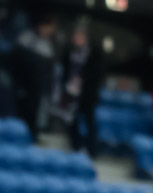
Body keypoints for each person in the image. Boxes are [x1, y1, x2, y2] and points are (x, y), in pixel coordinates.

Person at [7, 12, 56, 139]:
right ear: (42, 25)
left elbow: (48, 73)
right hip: (22, 88)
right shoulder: (26, 39)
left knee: (35, 117)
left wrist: (48, 89)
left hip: (38, 91)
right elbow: (15, 64)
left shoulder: (48, 46)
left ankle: (31, 136)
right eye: (49, 27)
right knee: (19, 115)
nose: (51, 31)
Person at [58, 23, 103, 156]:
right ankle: (75, 146)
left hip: (87, 95)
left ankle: (92, 150)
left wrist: (84, 85)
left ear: (85, 37)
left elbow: (97, 75)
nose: (76, 38)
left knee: (89, 122)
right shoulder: (69, 52)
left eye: (79, 36)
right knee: (70, 120)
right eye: (75, 35)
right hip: (70, 93)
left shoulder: (94, 53)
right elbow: (65, 72)